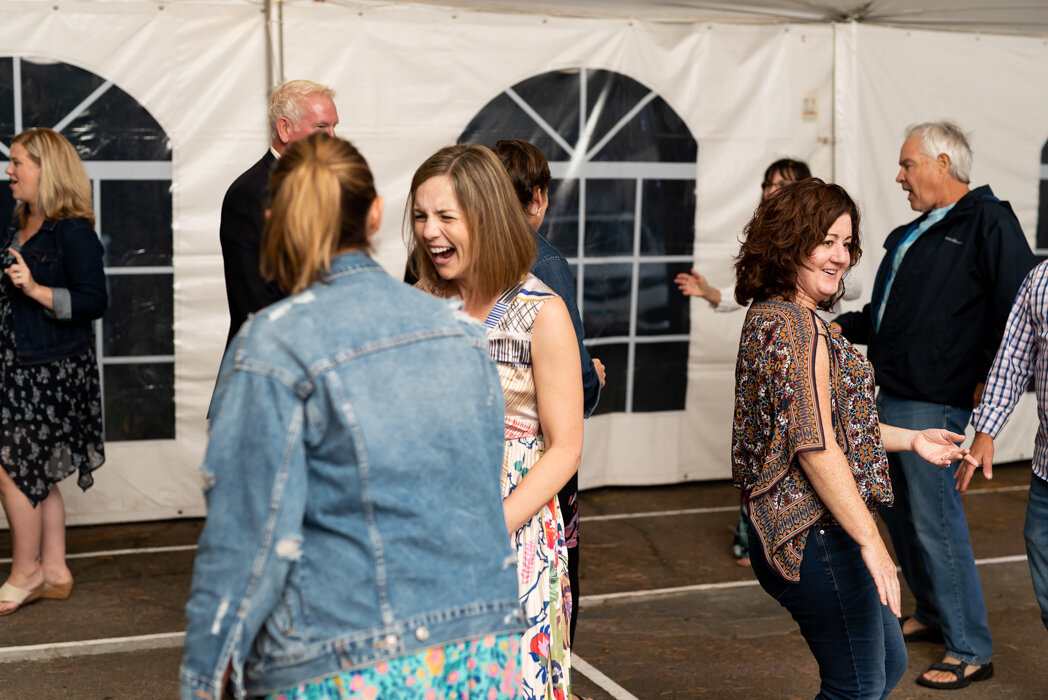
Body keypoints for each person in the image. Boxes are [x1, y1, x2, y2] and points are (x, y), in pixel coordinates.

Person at [181, 134, 523, 699]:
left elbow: (250, 540)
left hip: (346, 658)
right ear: (377, 214)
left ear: (274, 221)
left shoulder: (274, 344)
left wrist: (203, 678)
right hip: (482, 651)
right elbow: (477, 496)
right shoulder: (462, 333)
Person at [732, 178, 978, 699]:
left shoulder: (776, 316)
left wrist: (912, 440)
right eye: (826, 241)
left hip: (816, 526)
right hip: (813, 535)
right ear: (789, 242)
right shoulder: (797, 328)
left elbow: (832, 424)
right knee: (858, 687)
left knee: (886, 667)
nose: (841, 256)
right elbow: (814, 444)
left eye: (846, 243)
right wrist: (873, 543)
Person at [833, 120, 1035, 688]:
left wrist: (989, 386)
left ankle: (970, 648)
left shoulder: (988, 221)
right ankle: (932, 611)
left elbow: (1022, 314)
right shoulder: (910, 234)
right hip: (889, 395)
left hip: (935, 402)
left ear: (943, 165)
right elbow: (882, 317)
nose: (899, 176)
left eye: (908, 165)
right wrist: (826, 328)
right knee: (900, 517)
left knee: (936, 525)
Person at [408, 144, 583, 700]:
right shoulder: (415, 304)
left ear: (485, 215)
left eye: (446, 217)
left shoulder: (541, 312)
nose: (430, 232)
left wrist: (490, 527)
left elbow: (564, 448)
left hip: (512, 527)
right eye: (420, 216)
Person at [491, 138, 604, 649]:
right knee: (555, 577)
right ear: (538, 196)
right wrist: (594, 378)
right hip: (533, 460)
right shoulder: (547, 262)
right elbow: (573, 385)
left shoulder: (446, 261)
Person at [0, 127, 106, 614]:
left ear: (46, 168)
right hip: (19, 364)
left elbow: (94, 301)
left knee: (12, 471)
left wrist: (35, 288)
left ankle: (27, 573)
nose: (9, 171)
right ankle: (56, 570)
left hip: (52, 371)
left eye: (18, 162)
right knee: (36, 470)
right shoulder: (20, 222)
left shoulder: (74, 232)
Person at [958, 260, 1048, 632]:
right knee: (1039, 544)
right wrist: (986, 431)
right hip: (1047, 465)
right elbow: (1012, 358)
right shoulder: (1041, 278)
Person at [219, 79, 338, 348]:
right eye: (321, 127)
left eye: (334, 127)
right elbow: (255, 305)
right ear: (285, 128)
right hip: (270, 366)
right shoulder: (249, 195)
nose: (333, 138)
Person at [676, 158, 813, 313]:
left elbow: (845, 287)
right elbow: (749, 287)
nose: (771, 190)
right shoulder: (763, 233)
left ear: (803, 189)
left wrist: (841, 323)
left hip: (811, 327)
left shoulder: (819, 230)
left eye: (782, 184)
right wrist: (708, 292)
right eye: (768, 184)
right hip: (771, 326)